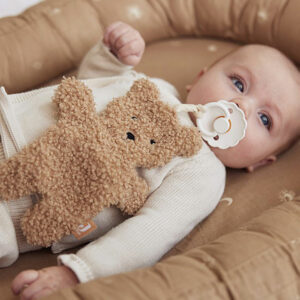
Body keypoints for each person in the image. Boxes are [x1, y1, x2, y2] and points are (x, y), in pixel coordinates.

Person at [7, 21, 300, 299]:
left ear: (261, 161)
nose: (242, 106)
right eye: (238, 83)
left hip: (20, 207)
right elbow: (90, 86)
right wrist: (111, 57)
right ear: (200, 77)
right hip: (8, 120)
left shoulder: (203, 174)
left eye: (265, 119)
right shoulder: (152, 88)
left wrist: (79, 272)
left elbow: (150, 232)